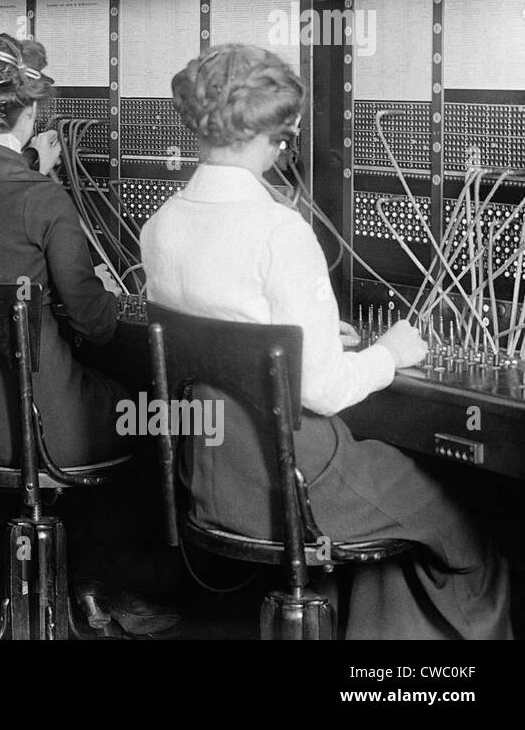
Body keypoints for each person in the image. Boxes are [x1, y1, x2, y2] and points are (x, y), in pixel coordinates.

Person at [140, 42, 513, 639]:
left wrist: (300, 341)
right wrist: (391, 351)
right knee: (471, 520)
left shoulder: (161, 225)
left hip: (208, 477)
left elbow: (228, 327)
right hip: (301, 482)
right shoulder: (279, 232)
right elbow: (325, 392)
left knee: (402, 517)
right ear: (271, 135)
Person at [0, 33, 157, 624]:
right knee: (151, 413)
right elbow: (96, 325)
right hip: (41, 426)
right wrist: (101, 285)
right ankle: (102, 590)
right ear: (29, 111)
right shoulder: (43, 198)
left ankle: (15, 600)